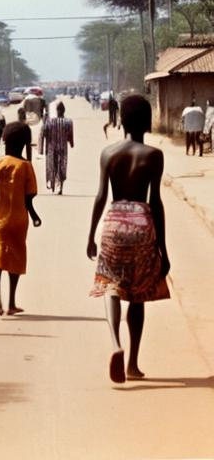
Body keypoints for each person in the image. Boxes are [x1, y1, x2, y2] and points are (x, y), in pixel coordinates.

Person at [86, 94, 170, 384]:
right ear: (147, 122)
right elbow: (156, 202)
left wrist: (91, 236)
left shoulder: (109, 153)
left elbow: (100, 197)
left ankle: (114, 343)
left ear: (121, 120)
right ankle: (133, 364)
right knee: (138, 295)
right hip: (142, 224)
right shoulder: (153, 155)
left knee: (110, 286)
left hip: (113, 224)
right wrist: (163, 249)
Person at [0, 122, 42, 316]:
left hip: (1, 218)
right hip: (19, 220)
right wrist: (35, 217)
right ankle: (11, 302)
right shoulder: (26, 167)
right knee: (16, 258)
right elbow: (29, 197)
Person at [38, 101, 74, 194]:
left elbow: (42, 133)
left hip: (51, 148)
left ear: (57, 111)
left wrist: (41, 149)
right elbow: (70, 135)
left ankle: (52, 181)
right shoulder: (68, 122)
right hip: (63, 148)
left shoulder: (49, 122)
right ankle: (60, 186)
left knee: (52, 165)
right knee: (62, 166)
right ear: (64, 111)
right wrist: (71, 143)